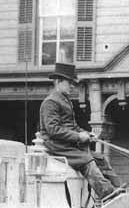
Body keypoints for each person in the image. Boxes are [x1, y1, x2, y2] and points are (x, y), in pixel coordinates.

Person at [39, 62, 122, 200]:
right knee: (87, 160)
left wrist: (86, 134)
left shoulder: (65, 100)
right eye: (70, 82)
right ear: (59, 81)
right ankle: (107, 194)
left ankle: (118, 189)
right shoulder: (50, 102)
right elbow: (53, 130)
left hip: (68, 145)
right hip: (57, 146)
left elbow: (73, 126)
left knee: (100, 159)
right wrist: (78, 137)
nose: (73, 86)